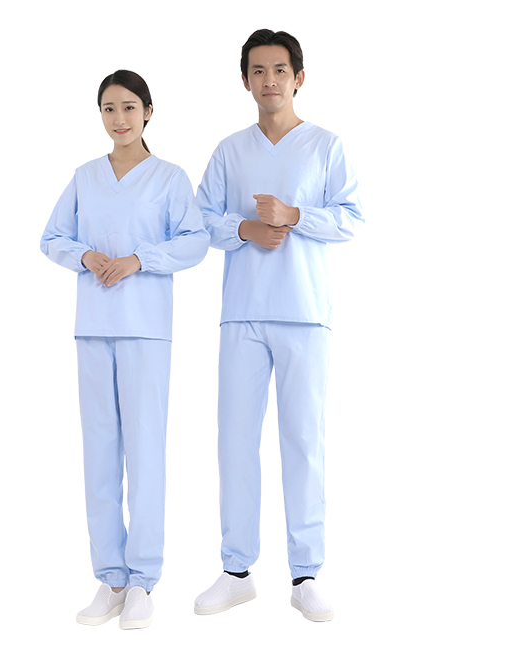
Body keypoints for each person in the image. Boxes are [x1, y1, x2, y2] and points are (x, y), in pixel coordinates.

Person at [194, 29, 363, 622]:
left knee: (303, 441)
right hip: (243, 312)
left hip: (304, 312)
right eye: (259, 71)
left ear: (299, 78)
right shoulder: (229, 151)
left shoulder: (325, 146)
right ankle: (236, 571)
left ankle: (306, 574)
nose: (270, 80)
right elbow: (199, 221)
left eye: (280, 70)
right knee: (235, 440)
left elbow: (351, 218)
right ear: (245, 80)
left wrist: (295, 215)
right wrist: (244, 229)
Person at [40, 70, 209, 630]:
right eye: (109, 108)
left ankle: (142, 581)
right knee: (100, 456)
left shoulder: (169, 177)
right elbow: (52, 238)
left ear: (149, 112)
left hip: (145, 329)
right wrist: (85, 257)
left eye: (129, 107)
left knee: (145, 452)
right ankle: (110, 579)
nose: (119, 118)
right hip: (93, 327)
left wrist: (140, 259)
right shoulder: (84, 177)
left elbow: (194, 242)